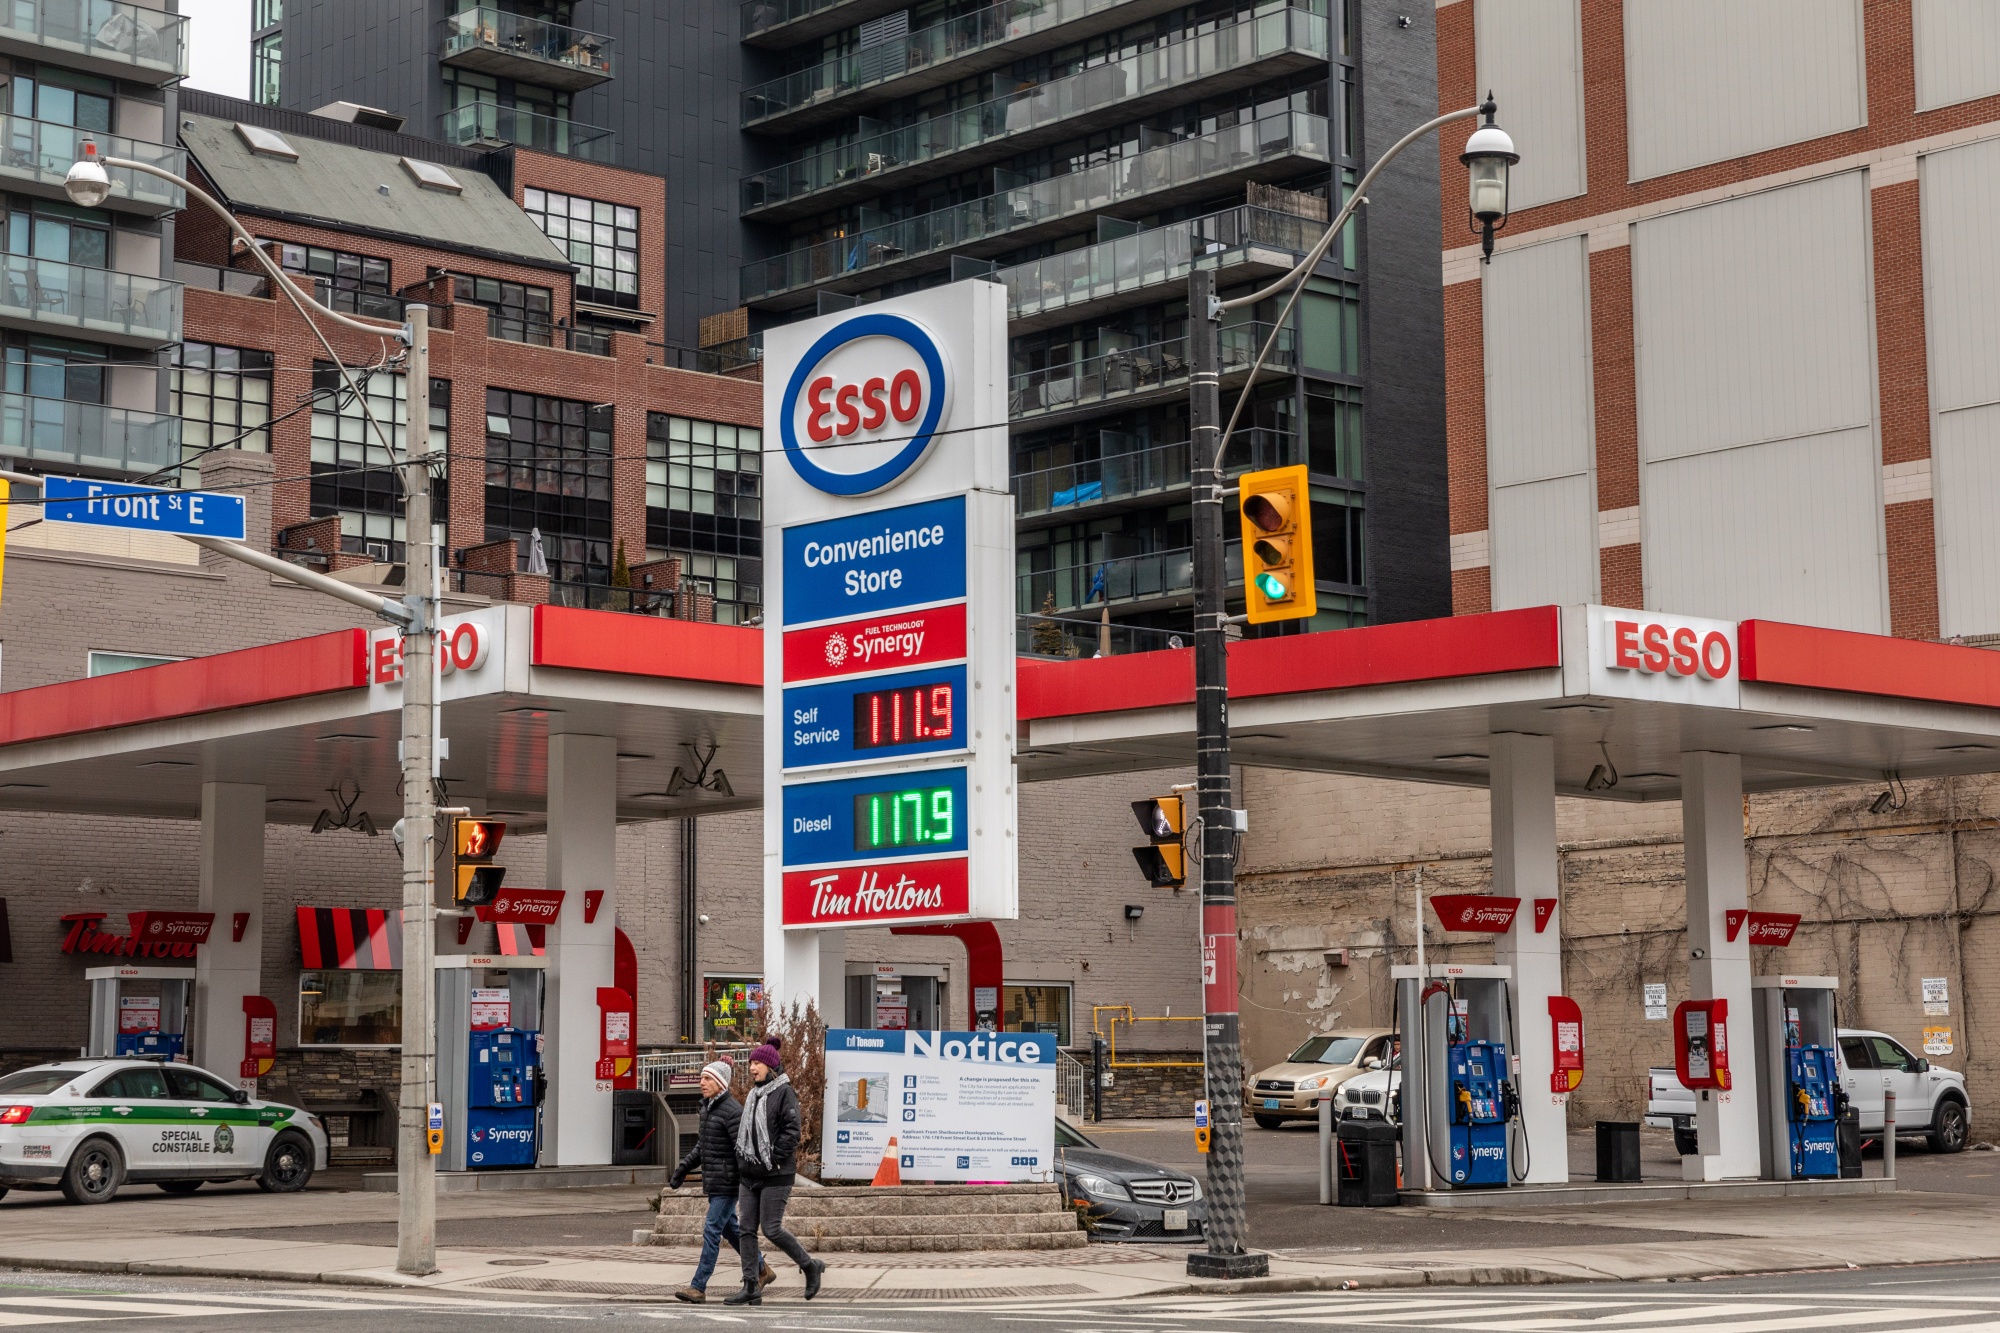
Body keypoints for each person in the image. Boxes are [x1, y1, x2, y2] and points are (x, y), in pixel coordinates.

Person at [724, 1038, 827, 1305]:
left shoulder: (784, 1093)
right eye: (751, 1063)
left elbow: (791, 1133)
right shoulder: (753, 1095)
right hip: (749, 1175)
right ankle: (751, 1285)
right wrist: (744, 1161)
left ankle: (809, 1265)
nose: (752, 1068)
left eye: (757, 1063)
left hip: (775, 1174)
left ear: (771, 1066)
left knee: (770, 1228)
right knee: (746, 1230)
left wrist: (771, 1160)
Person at [667, 1059, 773, 1303]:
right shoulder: (707, 1108)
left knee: (712, 1229)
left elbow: (742, 1150)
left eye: (707, 1079)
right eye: (702, 1078)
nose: (701, 1083)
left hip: (728, 1183)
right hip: (715, 1182)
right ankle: (762, 1269)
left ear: (721, 1083)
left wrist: (746, 1182)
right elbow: (703, 1146)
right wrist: (684, 1167)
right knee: (731, 1230)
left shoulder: (732, 1111)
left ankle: (698, 1286)